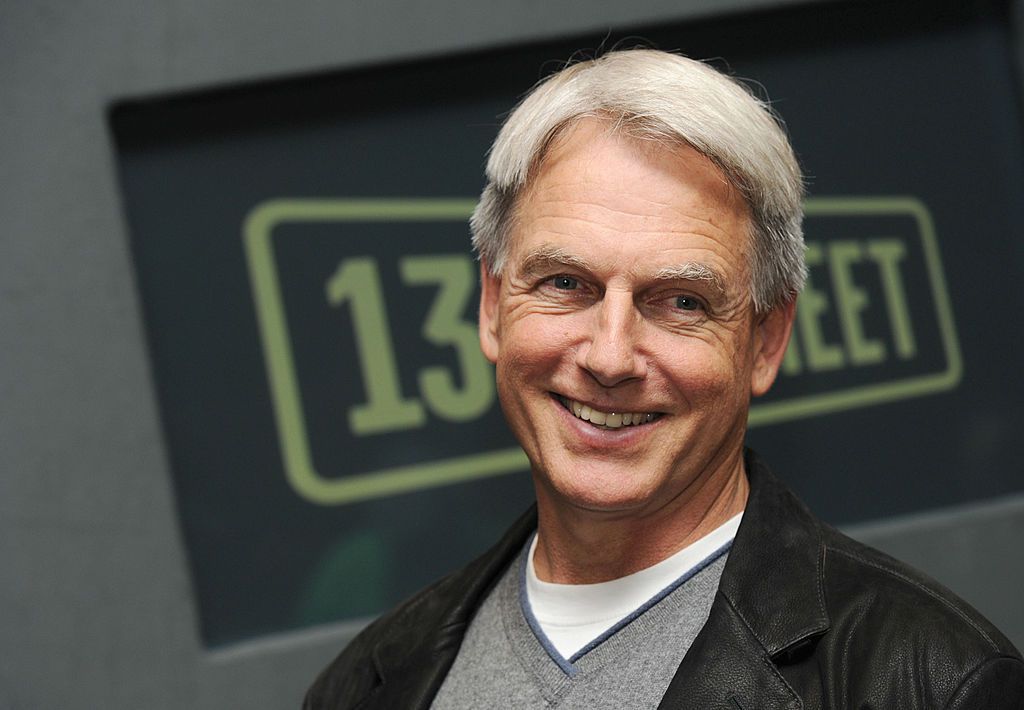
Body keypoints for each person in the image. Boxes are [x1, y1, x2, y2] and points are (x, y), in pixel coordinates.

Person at [304, 49, 1024, 709]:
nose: (610, 357)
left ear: (766, 340)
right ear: (492, 305)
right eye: (565, 282)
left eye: (681, 301)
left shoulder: (929, 683)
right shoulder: (370, 684)